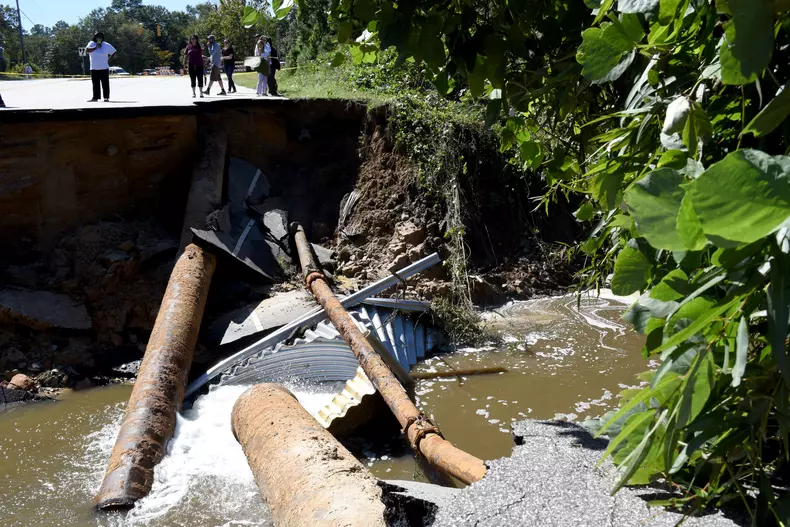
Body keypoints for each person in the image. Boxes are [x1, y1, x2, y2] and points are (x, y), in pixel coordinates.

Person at [85, 32, 117, 102]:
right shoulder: (91, 43)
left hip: (104, 68)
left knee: (105, 83)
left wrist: (108, 60)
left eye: (100, 37)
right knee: (95, 84)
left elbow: (114, 52)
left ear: (102, 38)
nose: (99, 38)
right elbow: (87, 50)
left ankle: (106, 97)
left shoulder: (106, 45)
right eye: (97, 37)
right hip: (94, 68)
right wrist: (96, 47)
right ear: (95, 37)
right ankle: (95, 97)